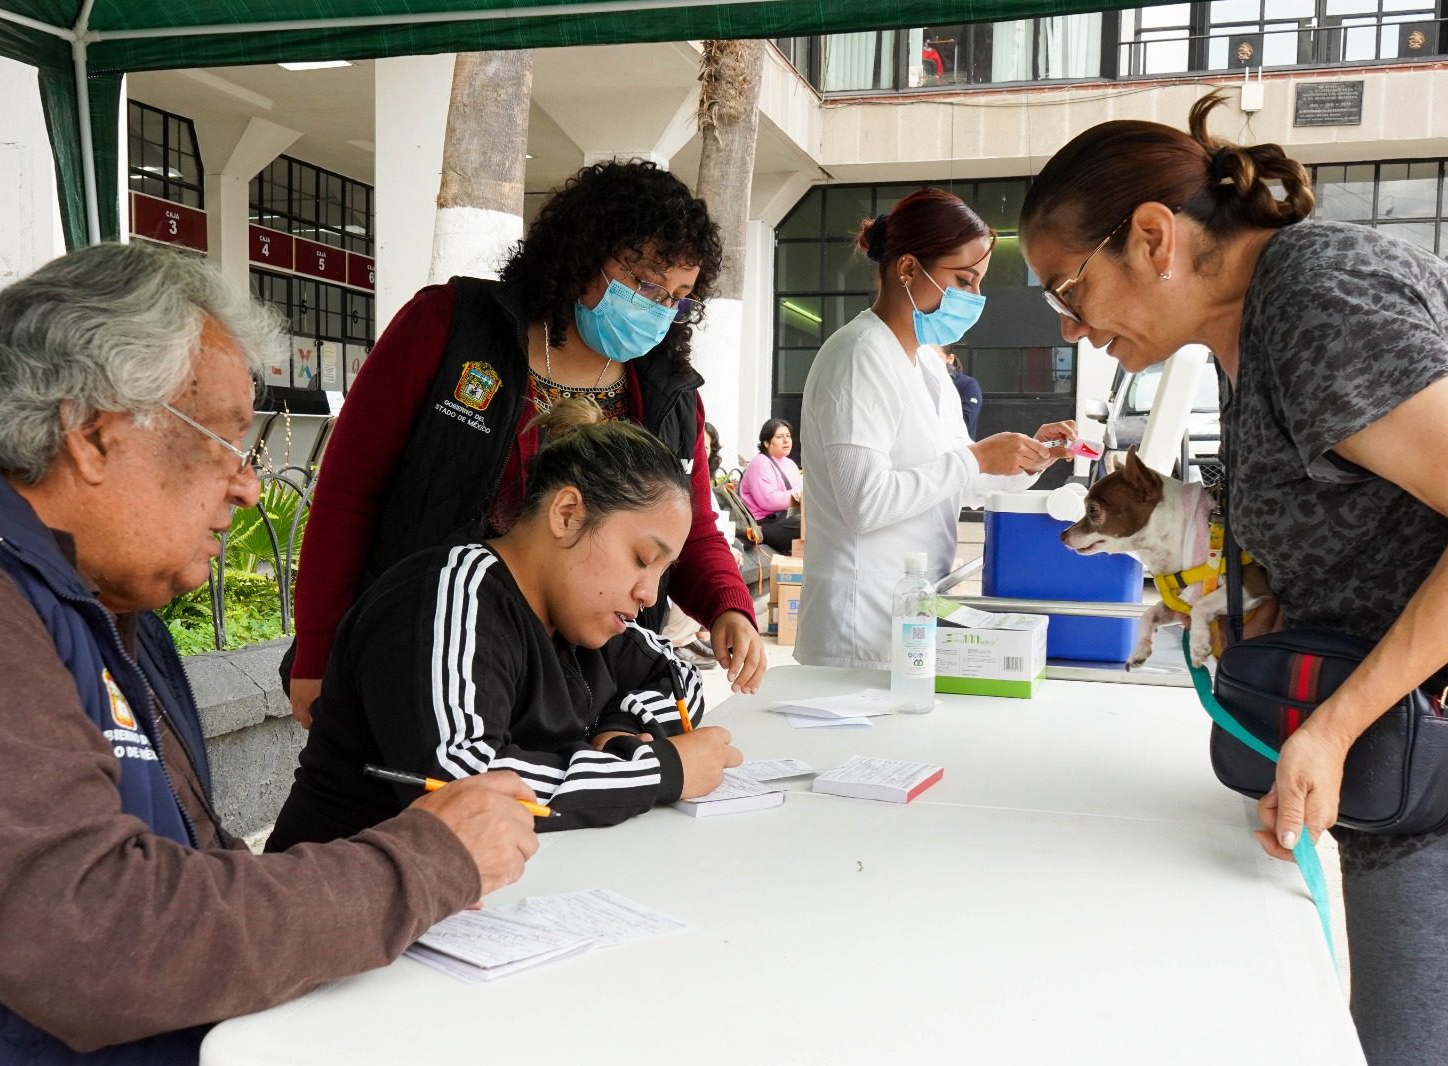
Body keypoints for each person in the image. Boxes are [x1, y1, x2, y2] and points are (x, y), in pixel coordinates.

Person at [0, 243, 539, 1063]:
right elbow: (103, 937)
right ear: (94, 434)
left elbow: (192, 872)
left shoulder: (96, 596)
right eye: (228, 441)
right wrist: (424, 861)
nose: (247, 485)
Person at [1019, 91, 1448, 1065]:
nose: (1071, 328)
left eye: (1066, 290)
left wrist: (1330, 727)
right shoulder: (1253, 335)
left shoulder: (1317, 300)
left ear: (1151, 237)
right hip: (1412, 761)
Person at [287, 161, 767, 729]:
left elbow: (689, 530)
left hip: (585, 685)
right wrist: (318, 652)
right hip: (431, 654)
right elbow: (348, 493)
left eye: (678, 297)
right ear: (584, 253)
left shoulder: (667, 393)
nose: (658, 308)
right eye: (644, 283)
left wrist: (726, 606)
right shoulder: (449, 329)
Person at [268, 399, 743, 847]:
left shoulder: (585, 617)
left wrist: (621, 730)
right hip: (340, 905)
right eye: (642, 558)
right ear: (567, 514)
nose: (649, 593)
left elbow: (678, 678)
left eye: (663, 572)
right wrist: (659, 770)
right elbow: (464, 781)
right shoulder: (445, 596)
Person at [795, 187, 1075, 669]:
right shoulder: (859, 356)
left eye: (979, 283)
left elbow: (958, 481)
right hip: (858, 626)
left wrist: (1028, 457)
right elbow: (866, 503)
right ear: (907, 269)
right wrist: (974, 458)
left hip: (909, 614)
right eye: (964, 280)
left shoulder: (927, 363)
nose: (975, 298)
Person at [740, 418, 803, 552]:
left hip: (786, 518)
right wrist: (800, 493)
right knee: (808, 525)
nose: (786, 440)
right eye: (780, 437)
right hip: (765, 523)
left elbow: (800, 493)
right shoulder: (759, 462)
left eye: (788, 436)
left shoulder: (790, 464)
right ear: (766, 442)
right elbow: (769, 500)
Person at [934, 345, 984, 438]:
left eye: (935, 358)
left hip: (957, 448)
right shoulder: (918, 382)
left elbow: (965, 423)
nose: (930, 362)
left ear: (950, 358)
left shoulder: (968, 384)